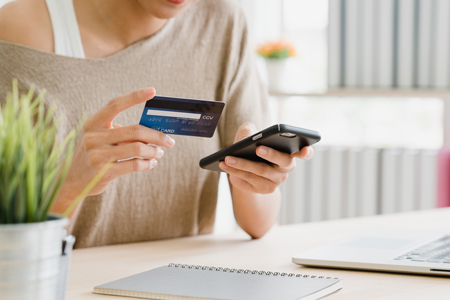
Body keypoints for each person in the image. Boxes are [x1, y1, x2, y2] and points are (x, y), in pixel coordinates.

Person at [0, 0, 313, 248]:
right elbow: (11, 249)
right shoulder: (19, 29)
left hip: (184, 283)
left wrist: (253, 175)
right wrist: (70, 183)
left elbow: (258, 224)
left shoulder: (223, 25)